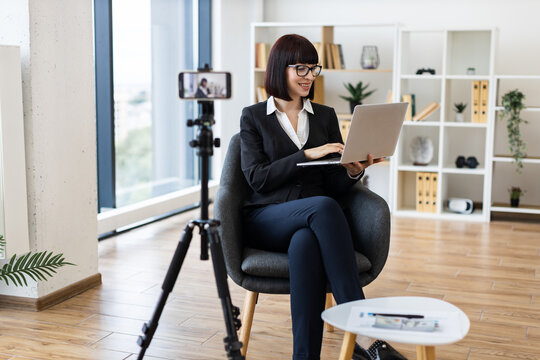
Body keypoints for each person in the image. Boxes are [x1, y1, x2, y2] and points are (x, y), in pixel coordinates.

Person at [239, 34, 383, 360]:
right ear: (279, 69)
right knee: (322, 207)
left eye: (313, 68)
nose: (308, 76)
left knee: (305, 242)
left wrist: (352, 170)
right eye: (300, 68)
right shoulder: (252, 117)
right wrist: (308, 154)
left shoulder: (326, 116)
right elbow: (257, 179)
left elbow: (332, 184)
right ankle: (365, 333)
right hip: (267, 217)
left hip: (312, 221)